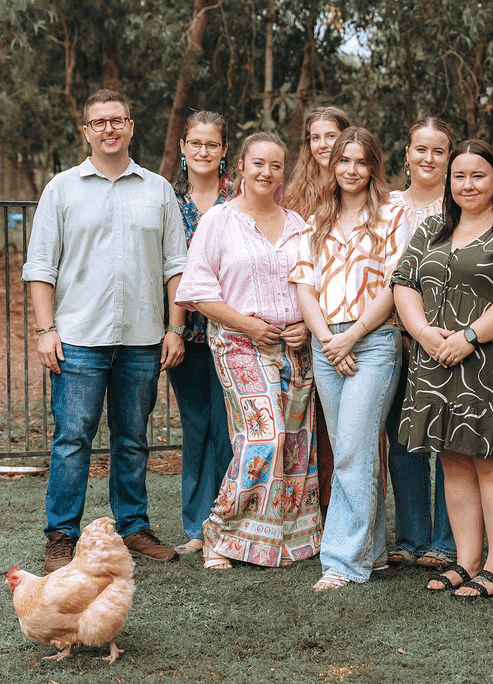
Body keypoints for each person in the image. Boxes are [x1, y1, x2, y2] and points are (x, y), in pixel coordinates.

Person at [23, 89, 186, 572]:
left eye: (117, 120)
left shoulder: (158, 190)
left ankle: (133, 527)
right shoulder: (62, 189)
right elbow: (40, 266)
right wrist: (45, 329)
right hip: (78, 339)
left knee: (133, 439)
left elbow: (176, 266)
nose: (109, 129)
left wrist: (175, 328)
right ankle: (61, 536)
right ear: (87, 131)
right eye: (99, 122)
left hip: (142, 338)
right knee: (72, 440)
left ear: (131, 127)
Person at [392, 139, 493, 599]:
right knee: (454, 461)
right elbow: (404, 282)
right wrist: (423, 332)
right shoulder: (433, 228)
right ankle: (467, 561)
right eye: (459, 176)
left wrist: (470, 337)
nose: (468, 184)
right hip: (436, 361)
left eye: (478, 175)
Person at [175, 131, 321, 569]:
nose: (266, 172)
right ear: (240, 166)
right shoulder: (219, 221)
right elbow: (198, 290)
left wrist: (305, 325)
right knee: (264, 435)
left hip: (295, 347)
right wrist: (249, 326)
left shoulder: (299, 224)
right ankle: (219, 533)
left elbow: (314, 285)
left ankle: (280, 539)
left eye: (275, 165)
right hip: (239, 342)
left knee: (294, 444)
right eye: (258, 163)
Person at [290, 126, 411, 590]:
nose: (352, 170)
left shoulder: (392, 215)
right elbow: (305, 286)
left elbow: (395, 284)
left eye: (361, 162)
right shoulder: (316, 219)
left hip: (374, 341)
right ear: (332, 164)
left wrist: (354, 336)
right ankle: (373, 552)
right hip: (326, 344)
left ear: (373, 166)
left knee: (354, 450)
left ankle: (342, 562)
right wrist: (327, 340)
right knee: (349, 450)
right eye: (344, 161)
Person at [383, 117, 457, 570]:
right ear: (407, 154)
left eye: (438, 150)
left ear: (449, 158)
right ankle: (410, 536)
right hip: (392, 338)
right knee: (403, 439)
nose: (428, 158)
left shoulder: (461, 207)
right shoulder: (386, 207)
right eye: (420, 149)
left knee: (447, 439)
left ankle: (446, 541)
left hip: (447, 341)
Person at [168, 111, 236, 556]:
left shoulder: (241, 196)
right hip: (187, 334)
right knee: (196, 428)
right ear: (183, 147)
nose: (203, 151)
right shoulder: (168, 200)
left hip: (235, 332)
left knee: (232, 427)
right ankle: (197, 526)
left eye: (212, 144)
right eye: (196, 143)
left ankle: (230, 521)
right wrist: (173, 328)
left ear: (224, 150)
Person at [284, 106, 352, 518]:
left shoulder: (362, 190)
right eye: (316, 137)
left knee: (344, 431)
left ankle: (343, 515)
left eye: (332, 135)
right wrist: (300, 320)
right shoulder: (294, 198)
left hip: (347, 328)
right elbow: (288, 268)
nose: (324, 144)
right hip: (303, 326)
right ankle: (308, 516)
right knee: (304, 425)